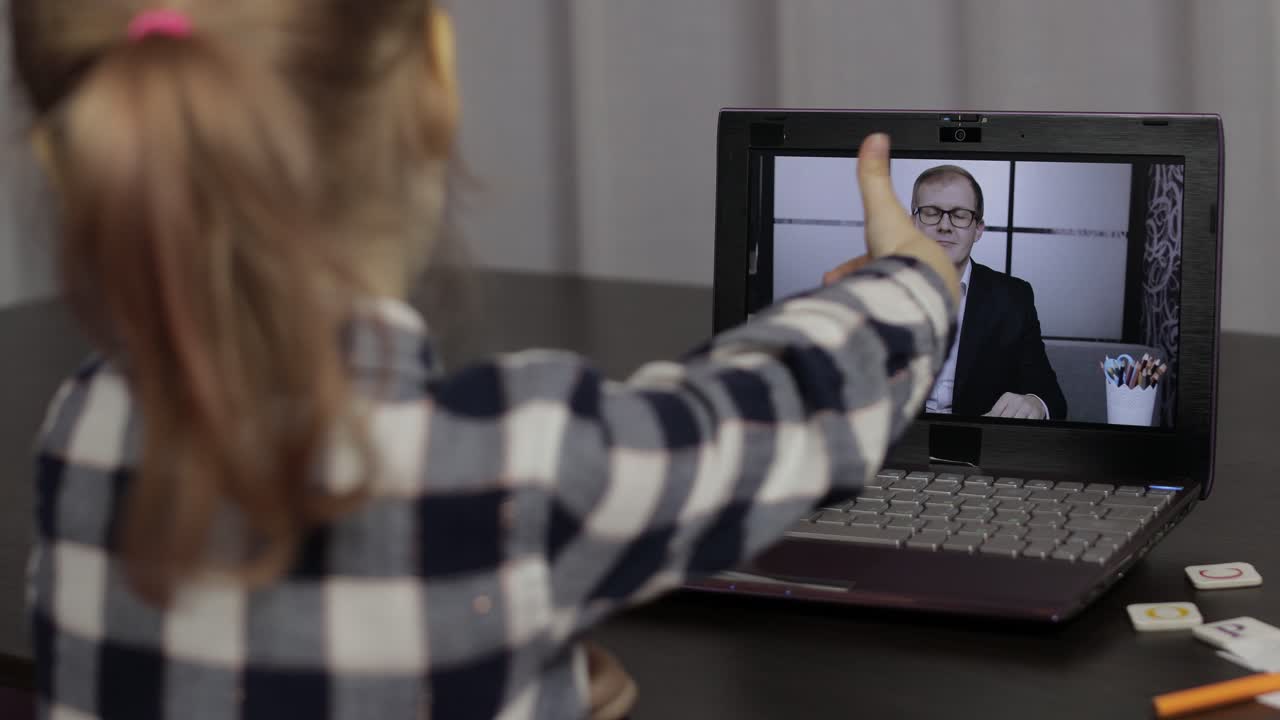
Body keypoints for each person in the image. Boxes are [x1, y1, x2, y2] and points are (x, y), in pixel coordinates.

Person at [16, 1, 959, 719]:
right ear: (435, 71)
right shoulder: (512, 465)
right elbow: (786, 408)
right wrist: (916, 277)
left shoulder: (83, 426)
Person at [826, 165, 1066, 420]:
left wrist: (1035, 403)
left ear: (978, 229)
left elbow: (1051, 397)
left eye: (960, 215)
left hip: (979, 445)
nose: (945, 225)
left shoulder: (1013, 298)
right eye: (931, 213)